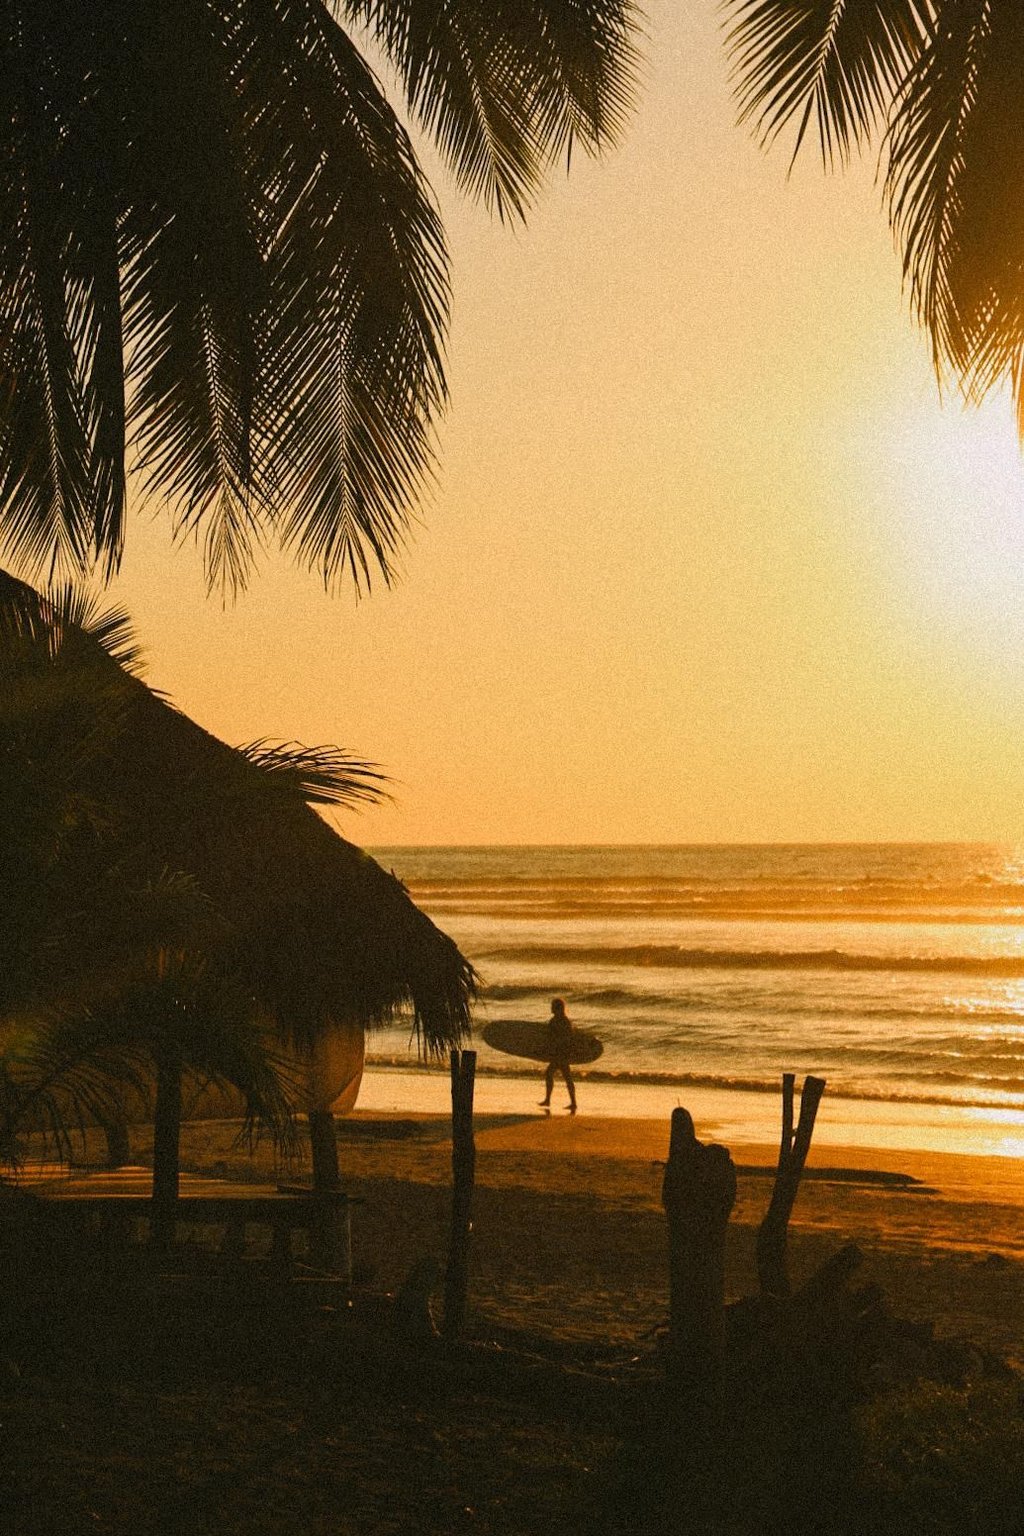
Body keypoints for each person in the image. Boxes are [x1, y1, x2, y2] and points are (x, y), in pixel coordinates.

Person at [539, 997, 577, 1113]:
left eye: (553, 1007)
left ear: (557, 1008)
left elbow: (563, 1038)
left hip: (560, 1054)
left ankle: (549, 1100)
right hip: (561, 1054)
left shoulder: (560, 1021)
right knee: (565, 1078)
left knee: (553, 1074)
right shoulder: (561, 1020)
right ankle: (572, 1102)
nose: (551, 1008)